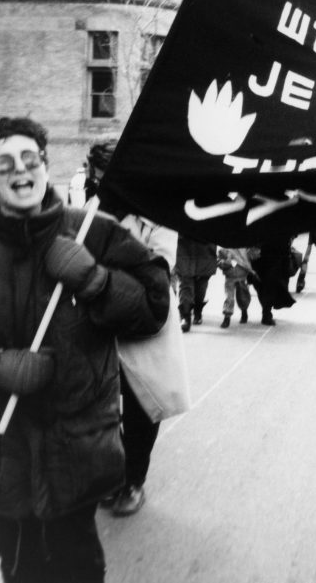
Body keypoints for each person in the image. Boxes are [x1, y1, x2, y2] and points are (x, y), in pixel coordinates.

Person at [0, 117, 170, 582]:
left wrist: (96, 281)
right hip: (0, 448)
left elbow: (152, 308)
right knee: (20, 564)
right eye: (4, 163)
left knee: (78, 564)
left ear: (46, 168)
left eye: (31, 160)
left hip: (79, 447)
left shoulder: (96, 231)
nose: (21, 171)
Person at [86, 138, 181, 518]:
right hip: (97, 321)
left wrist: (106, 267)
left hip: (143, 322)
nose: (102, 183)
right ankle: (113, 476)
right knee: (99, 405)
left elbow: (160, 265)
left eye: (107, 175)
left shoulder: (156, 212)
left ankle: (133, 481)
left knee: (142, 405)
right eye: (97, 176)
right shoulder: (92, 210)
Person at [175, 235, 217, 331]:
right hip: (185, 250)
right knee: (185, 284)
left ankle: (198, 309)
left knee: (201, 288)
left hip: (205, 252)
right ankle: (185, 316)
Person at [217, 246, 257, 326]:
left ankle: (244, 311)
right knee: (229, 297)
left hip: (242, 275)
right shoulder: (224, 247)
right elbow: (219, 260)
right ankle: (227, 317)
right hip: (230, 276)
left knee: (243, 296)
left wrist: (252, 252)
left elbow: (253, 256)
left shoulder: (245, 246)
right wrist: (224, 263)